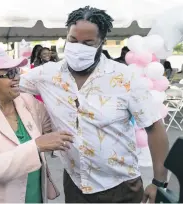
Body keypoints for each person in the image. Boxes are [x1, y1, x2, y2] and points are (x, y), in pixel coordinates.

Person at [20, 6, 169, 203]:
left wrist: (159, 182)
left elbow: (154, 128)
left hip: (121, 187)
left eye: (88, 43)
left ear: (101, 42)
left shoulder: (125, 78)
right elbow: (7, 86)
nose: (78, 47)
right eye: (73, 40)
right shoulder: (47, 75)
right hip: (75, 184)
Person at [0, 47, 74, 203]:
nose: (17, 77)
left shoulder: (26, 102)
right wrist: (36, 146)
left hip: (35, 196)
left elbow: (56, 121)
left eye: (16, 71)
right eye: (10, 73)